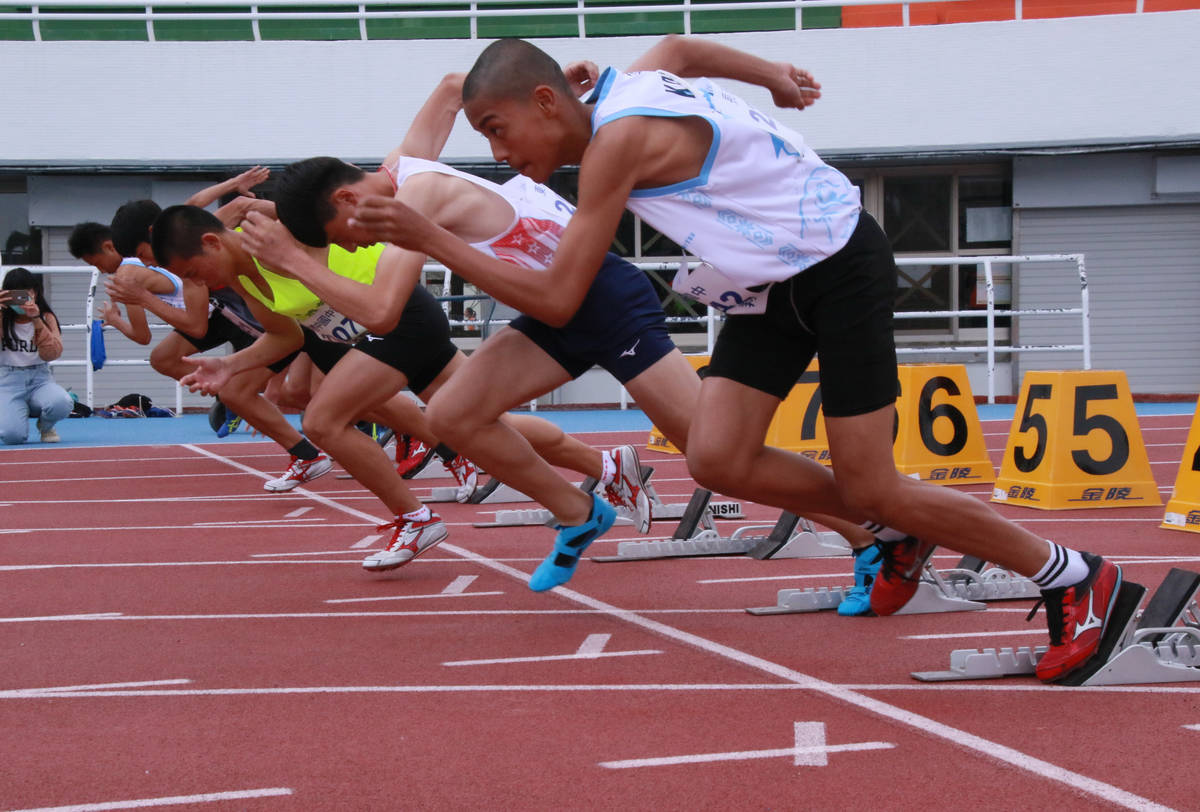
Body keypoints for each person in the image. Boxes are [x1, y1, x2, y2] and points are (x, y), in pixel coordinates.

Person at [350, 36, 1123, 681]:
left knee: (872, 482)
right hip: (766, 283)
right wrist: (775, 77)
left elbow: (556, 298)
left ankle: (1074, 574)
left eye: (497, 127)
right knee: (717, 456)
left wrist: (431, 240)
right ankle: (897, 534)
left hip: (839, 265)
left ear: (548, 102)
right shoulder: (630, 82)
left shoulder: (614, 146)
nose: (496, 151)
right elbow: (682, 49)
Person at [326, 71, 885, 601]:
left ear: (346, 201)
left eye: (342, 240)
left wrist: (287, 259)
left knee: (714, 452)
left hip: (606, 299)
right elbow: (456, 86)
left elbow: (380, 312)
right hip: (550, 310)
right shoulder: (397, 169)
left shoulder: (414, 194)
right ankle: (578, 511)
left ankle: (874, 536)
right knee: (450, 415)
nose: (354, 251)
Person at [150, 204, 639, 572]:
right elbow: (287, 335)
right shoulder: (244, 280)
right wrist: (230, 365)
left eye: (195, 274)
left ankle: (416, 519)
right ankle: (608, 465)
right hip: (378, 332)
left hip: (399, 313)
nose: (202, 286)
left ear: (213, 243)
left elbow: (334, 212)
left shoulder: (274, 232)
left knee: (323, 420)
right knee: (483, 425)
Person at [69, 211, 333, 492]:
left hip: (259, 320)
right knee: (260, 391)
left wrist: (296, 205)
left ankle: (357, 427)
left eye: (145, 255)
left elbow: (194, 326)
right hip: (258, 318)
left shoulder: (156, 268)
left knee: (315, 404)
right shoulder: (198, 256)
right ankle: (310, 448)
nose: (149, 264)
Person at [0, 267, 73, 444]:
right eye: (16, 295)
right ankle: (13, 414)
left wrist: (36, 319)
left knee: (62, 402)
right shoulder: (3, 317)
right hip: (7, 380)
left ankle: (46, 426)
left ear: (36, 293)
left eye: (26, 294)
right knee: (12, 436)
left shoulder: (46, 317)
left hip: (40, 378)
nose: (21, 301)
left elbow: (52, 353)